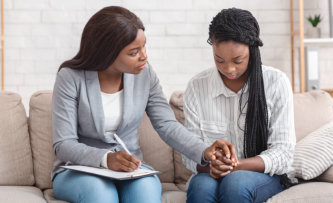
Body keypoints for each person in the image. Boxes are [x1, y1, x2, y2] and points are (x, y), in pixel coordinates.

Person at [51, 6, 235, 203]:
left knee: (145, 194)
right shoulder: (70, 78)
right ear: (107, 53)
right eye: (133, 52)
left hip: (131, 170)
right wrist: (106, 159)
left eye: (143, 47)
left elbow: (167, 125)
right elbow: (64, 144)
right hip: (81, 170)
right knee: (101, 195)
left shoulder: (144, 74)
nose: (144, 56)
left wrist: (204, 150)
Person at [182, 8, 296, 203]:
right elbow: (189, 152)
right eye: (219, 60)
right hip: (210, 173)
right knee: (200, 186)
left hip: (264, 176)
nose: (229, 69)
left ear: (252, 50)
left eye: (238, 60)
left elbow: (283, 152)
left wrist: (237, 165)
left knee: (236, 182)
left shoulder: (276, 83)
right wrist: (210, 164)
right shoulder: (196, 86)